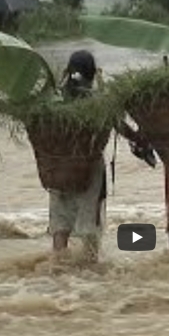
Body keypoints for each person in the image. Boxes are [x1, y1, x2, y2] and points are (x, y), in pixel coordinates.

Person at [49, 50, 154, 262]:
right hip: (89, 169)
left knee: (60, 224)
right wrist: (141, 138)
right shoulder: (98, 101)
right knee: (89, 224)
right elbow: (120, 125)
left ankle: (58, 269)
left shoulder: (55, 100)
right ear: (92, 73)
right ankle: (89, 270)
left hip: (58, 167)